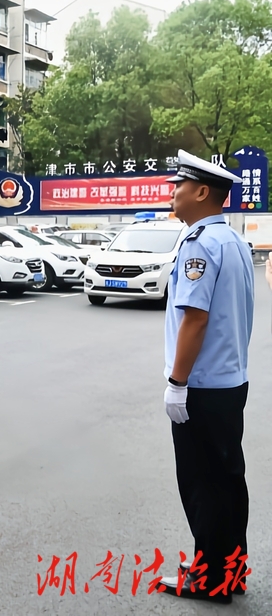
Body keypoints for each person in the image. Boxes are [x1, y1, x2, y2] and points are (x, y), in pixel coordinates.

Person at [158, 150, 253, 604]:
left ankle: (211, 578)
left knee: (202, 484)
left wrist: (177, 383)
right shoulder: (233, 241)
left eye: (178, 185)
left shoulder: (199, 244)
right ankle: (227, 568)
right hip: (231, 381)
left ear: (201, 192)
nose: (171, 191)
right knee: (229, 479)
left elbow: (194, 319)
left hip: (202, 386)